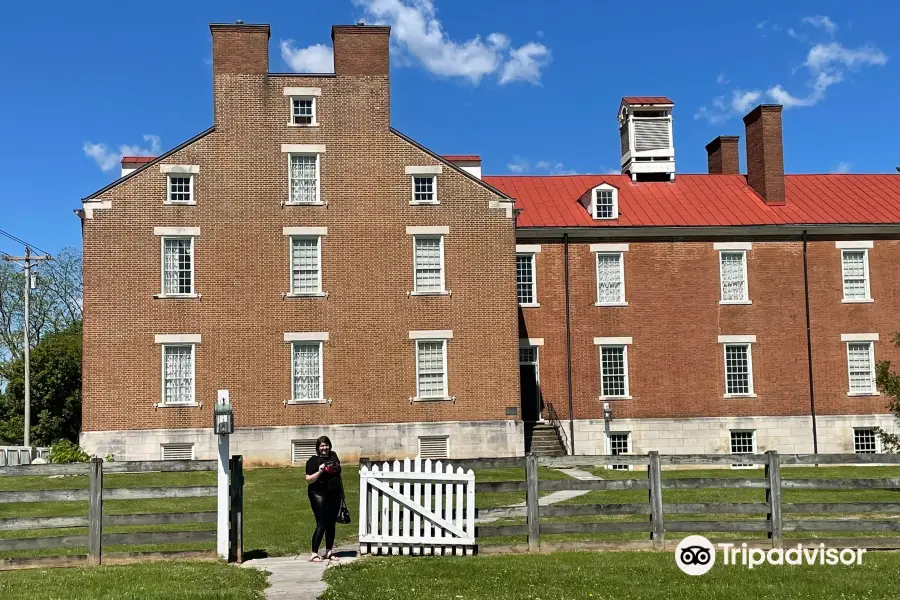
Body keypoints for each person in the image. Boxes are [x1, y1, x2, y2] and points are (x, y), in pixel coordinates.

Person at [305, 435, 342, 562]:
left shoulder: (334, 456)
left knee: (331, 523)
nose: (324, 448)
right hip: (318, 494)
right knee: (321, 522)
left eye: (326, 445)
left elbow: (338, 472)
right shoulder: (312, 461)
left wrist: (341, 493)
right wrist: (320, 471)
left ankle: (329, 551)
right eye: (322, 446)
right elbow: (309, 479)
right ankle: (314, 553)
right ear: (318, 448)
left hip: (334, 493)